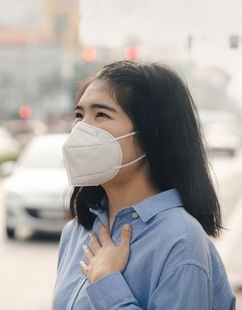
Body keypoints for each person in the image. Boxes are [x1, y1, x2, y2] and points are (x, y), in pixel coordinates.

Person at [53, 61, 236, 309]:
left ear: (151, 134)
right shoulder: (77, 232)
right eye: (79, 115)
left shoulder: (181, 242)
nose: (82, 128)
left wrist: (107, 283)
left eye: (101, 114)